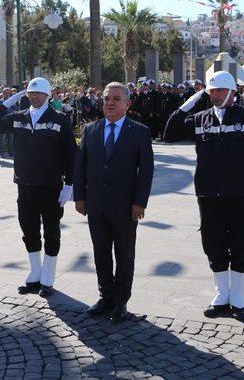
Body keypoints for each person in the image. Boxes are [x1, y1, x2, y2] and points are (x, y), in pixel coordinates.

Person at [163, 71, 244, 321]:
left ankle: (239, 301)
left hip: (240, 194)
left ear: (232, 92)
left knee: (240, 246)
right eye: (211, 91)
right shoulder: (200, 119)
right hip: (209, 195)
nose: (215, 94)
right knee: (213, 244)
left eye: (220, 90)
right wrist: (187, 104)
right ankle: (222, 296)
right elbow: (169, 133)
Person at [0, 77, 77, 297]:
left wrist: (70, 185)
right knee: (29, 229)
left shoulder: (59, 119)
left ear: (47, 96)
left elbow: (71, 154)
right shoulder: (19, 117)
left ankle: (48, 277)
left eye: (38, 94)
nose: (34, 97)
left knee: (52, 232)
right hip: (24, 185)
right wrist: (7, 102)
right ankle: (35, 273)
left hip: (51, 186)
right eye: (30, 94)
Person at [73, 82, 154, 323]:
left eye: (116, 99)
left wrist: (140, 202)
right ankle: (105, 297)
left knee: (125, 254)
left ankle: (121, 302)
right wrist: (80, 196)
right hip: (96, 205)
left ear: (127, 104)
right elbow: (80, 166)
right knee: (101, 253)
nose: (110, 103)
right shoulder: (91, 130)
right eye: (107, 98)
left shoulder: (139, 132)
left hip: (126, 207)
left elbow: (146, 170)